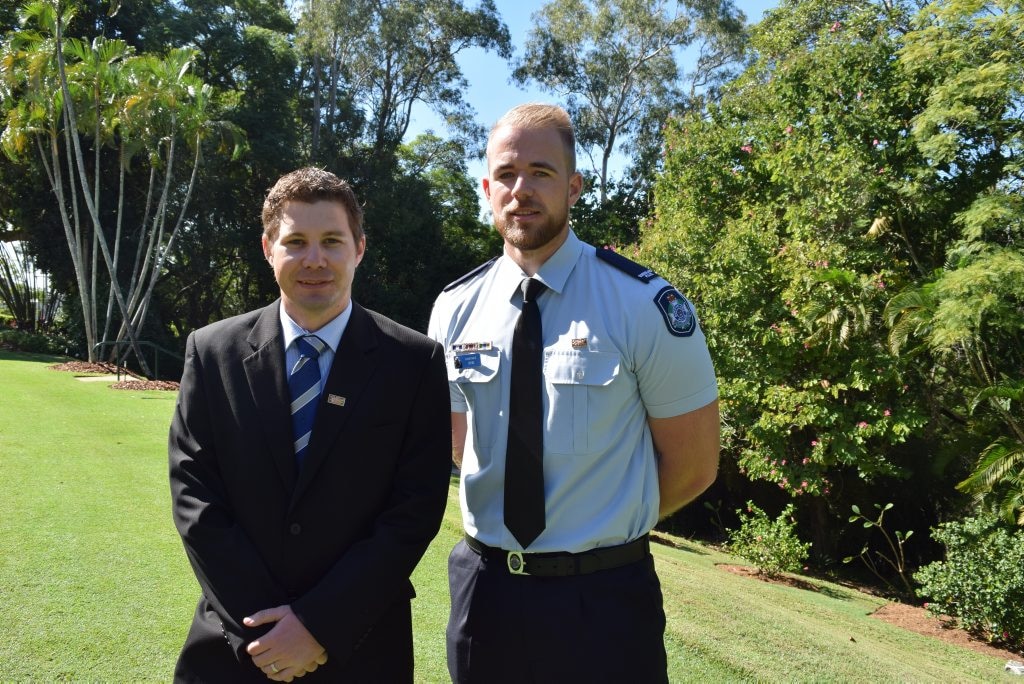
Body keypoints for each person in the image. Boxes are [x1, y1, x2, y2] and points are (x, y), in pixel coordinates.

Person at [428, 104, 721, 683]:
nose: (522, 190)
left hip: (605, 603)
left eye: (541, 172)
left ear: (574, 186)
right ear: (487, 187)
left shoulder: (642, 305)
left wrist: (598, 525)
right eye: (507, 174)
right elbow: (461, 446)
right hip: (485, 593)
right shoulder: (454, 309)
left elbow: (694, 464)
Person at [169, 167, 452, 683]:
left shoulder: (414, 363)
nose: (314, 259)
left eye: (331, 241)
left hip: (362, 647)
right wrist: (268, 631)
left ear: (359, 247)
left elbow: (414, 510)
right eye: (296, 241)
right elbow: (194, 496)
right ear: (267, 247)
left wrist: (319, 626)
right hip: (236, 646)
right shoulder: (212, 353)